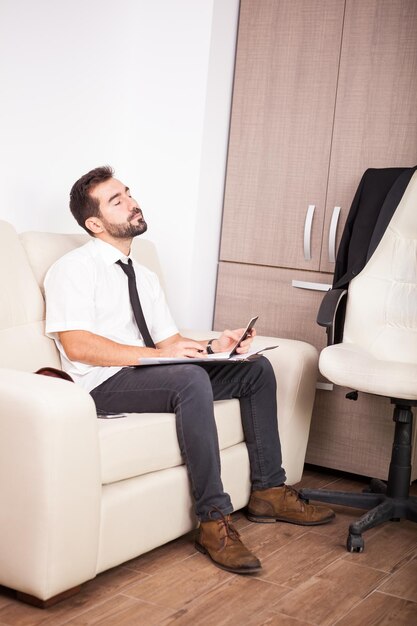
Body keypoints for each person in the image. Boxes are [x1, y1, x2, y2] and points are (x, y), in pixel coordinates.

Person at [44, 166, 335, 575]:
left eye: (128, 193)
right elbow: (79, 346)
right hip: (100, 383)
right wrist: (156, 356)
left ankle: (269, 489)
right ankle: (214, 521)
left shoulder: (143, 275)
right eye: (117, 200)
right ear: (95, 223)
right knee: (189, 379)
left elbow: (168, 345)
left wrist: (218, 347)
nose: (132, 202)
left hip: (145, 370)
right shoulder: (73, 269)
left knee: (255, 370)